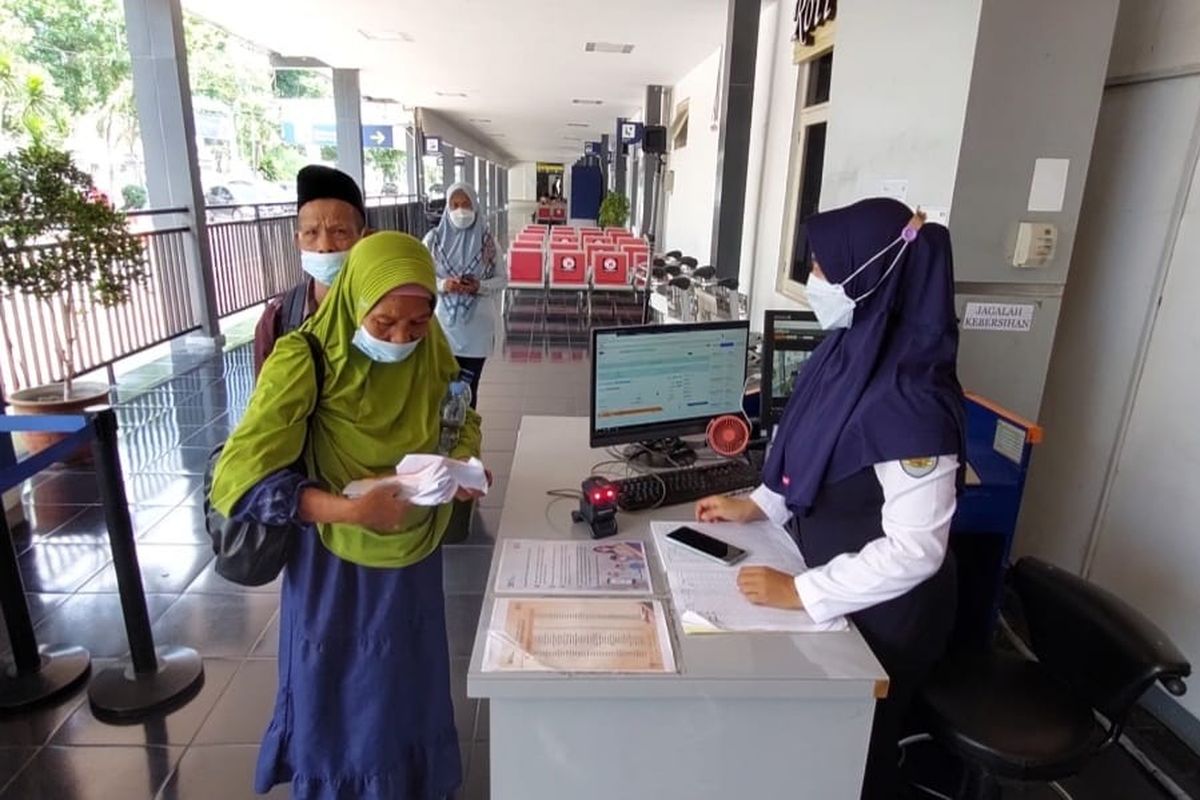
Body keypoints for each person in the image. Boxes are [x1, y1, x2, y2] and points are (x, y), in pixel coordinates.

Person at [696, 198, 964, 799]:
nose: (814, 281)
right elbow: (813, 449)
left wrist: (802, 592)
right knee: (810, 744)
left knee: (851, 759)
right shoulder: (851, 349)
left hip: (886, 614)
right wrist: (764, 503)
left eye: (822, 268)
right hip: (829, 580)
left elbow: (917, 550)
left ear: (866, 278)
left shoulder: (910, 398)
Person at [210, 232, 487, 799]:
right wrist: (350, 510)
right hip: (336, 565)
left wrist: (460, 467)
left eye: (416, 323)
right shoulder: (304, 358)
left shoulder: (431, 350)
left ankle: (410, 783)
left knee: (406, 682)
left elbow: (458, 412)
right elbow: (236, 480)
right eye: (383, 323)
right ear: (355, 299)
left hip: (411, 553)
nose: (401, 338)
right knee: (343, 690)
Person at [253, 164, 368, 375]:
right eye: (311, 233)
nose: (325, 246)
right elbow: (265, 399)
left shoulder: (390, 310)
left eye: (339, 232)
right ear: (297, 241)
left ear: (364, 237)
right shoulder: (279, 317)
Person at [422, 182, 506, 407]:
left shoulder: (488, 243)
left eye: (466, 205)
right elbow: (419, 276)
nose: (460, 211)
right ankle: (441, 436)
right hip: (443, 330)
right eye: (455, 205)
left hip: (477, 331)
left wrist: (479, 286)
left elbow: (502, 280)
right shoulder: (433, 241)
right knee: (442, 389)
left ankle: (467, 436)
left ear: (476, 207)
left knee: (467, 390)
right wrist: (443, 284)